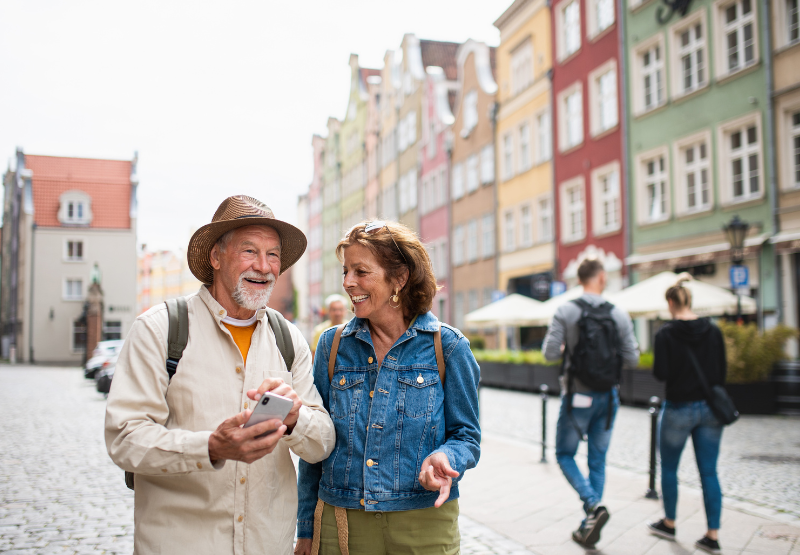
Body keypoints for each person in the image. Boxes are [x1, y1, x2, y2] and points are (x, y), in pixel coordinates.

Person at [105, 195, 335, 555]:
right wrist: (211, 447)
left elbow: (322, 441)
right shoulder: (161, 329)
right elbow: (124, 438)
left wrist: (295, 419)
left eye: (273, 254)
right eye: (249, 251)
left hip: (267, 544)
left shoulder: (288, 339)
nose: (263, 266)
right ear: (215, 257)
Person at [295, 220, 481, 555]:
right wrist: (306, 528)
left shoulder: (448, 346)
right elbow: (314, 443)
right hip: (343, 520)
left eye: (361, 271)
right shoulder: (332, 345)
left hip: (424, 522)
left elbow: (467, 435)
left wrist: (445, 456)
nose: (349, 283)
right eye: (346, 271)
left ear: (399, 278)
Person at [542, 258, 639, 549]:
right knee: (597, 460)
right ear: (600, 278)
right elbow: (632, 358)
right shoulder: (619, 314)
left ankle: (593, 506)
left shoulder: (565, 310)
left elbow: (548, 354)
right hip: (608, 398)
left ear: (579, 279)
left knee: (564, 454)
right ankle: (591, 521)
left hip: (578, 396)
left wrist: (565, 347)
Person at [648, 274, 726, 554]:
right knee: (709, 472)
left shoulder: (665, 334)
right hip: (710, 409)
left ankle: (669, 523)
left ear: (671, 302)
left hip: (679, 407)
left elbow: (661, 373)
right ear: (689, 299)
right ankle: (712, 535)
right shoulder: (713, 331)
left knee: (669, 468)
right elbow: (721, 372)